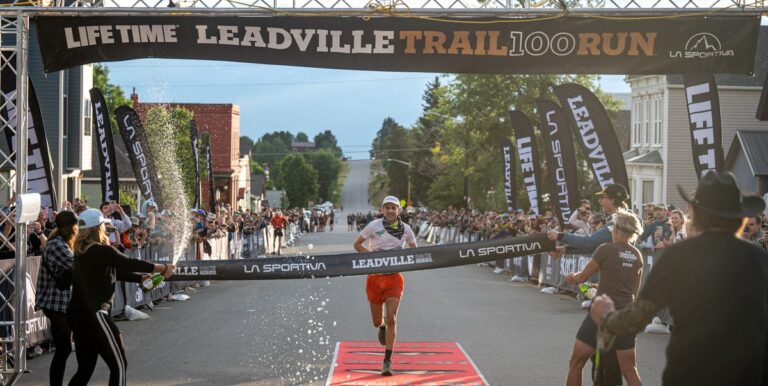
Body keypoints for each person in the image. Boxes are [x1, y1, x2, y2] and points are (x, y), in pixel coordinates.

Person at [590, 171, 768, 386]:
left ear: (697, 215)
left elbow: (637, 318)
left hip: (690, 371)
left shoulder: (679, 255)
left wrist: (607, 316)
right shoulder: (759, 259)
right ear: (740, 218)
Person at [67, 209, 175, 386]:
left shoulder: (81, 252)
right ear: (98, 228)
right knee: (119, 365)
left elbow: (113, 272)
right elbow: (129, 263)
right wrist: (162, 268)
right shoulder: (102, 250)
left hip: (79, 316)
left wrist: (139, 278)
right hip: (96, 314)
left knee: (85, 369)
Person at [564, 211, 644, 386]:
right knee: (630, 371)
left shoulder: (605, 249)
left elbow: (582, 277)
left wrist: (571, 277)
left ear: (615, 230)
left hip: (600, 314)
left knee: (576, 363)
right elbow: (632, 293)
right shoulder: (637, 255)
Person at [353, 196, 417, 376]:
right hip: (374, 278)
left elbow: (414, 249)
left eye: (393, 208)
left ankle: (387, 360)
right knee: (377, 321)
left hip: (394, 279)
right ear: (382, 210)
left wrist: (407, 258)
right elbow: (357, 244)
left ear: (399, 210)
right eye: (387, 207)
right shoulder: (374, 226)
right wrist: (372, 258)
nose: (390, 210)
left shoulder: (407, 229)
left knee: (392, 318)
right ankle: (381, 327)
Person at [35, 211, 79, 386]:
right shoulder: (57, 245)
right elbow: (76, 264)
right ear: (70, 227)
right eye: (77, 227)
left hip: (61, 302)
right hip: (54, 302)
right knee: (64, 348)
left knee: (64, 348)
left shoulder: (62, 242)